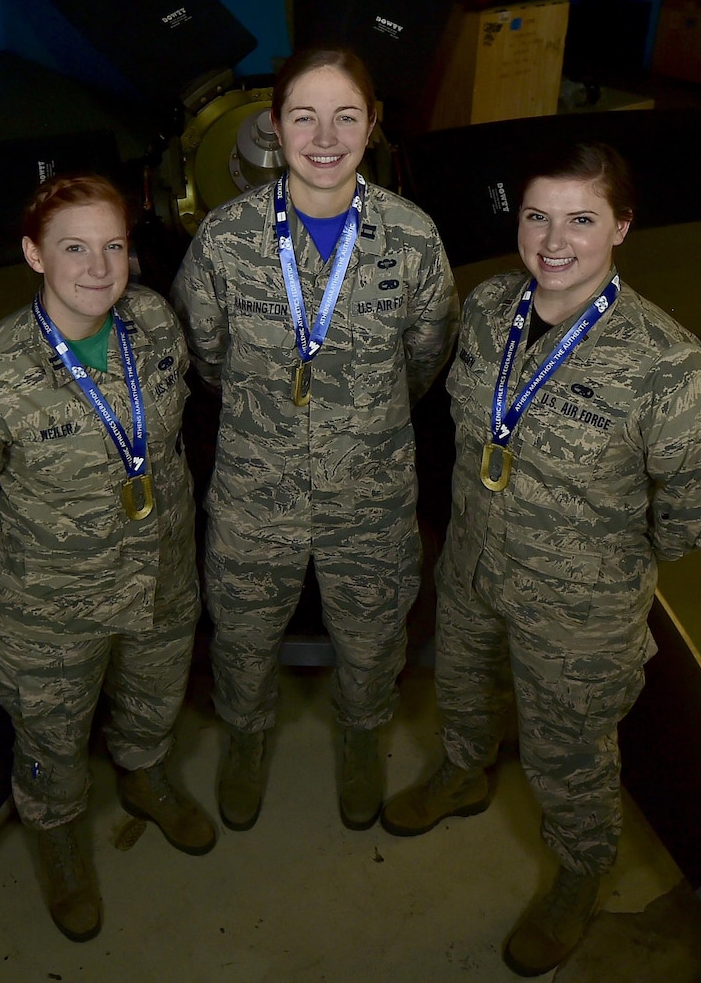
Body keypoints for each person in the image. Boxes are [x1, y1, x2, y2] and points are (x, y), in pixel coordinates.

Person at [381, 141, 701, 978]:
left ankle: (580, 871)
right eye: (537, 215)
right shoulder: (488, 308)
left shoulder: (667, 365)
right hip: (472, 566)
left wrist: (603, 558)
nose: (554, 240)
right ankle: (464, 773)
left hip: (579, 608)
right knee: (463, 684)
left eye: (581, 219)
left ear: (620, 226)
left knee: (567, 751)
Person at [0, 172, 213, 943]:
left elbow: (171, 428)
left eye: (113, 246)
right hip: (50, 605)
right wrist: (37, 532)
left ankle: (145, 777)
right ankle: (56, 836)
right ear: (34, 254)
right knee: (51, 734)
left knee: (154, 694)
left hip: (161, 575)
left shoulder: (152, 322)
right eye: (73, 248)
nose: (98, 267)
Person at [170, 46, 458, 833]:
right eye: (304, 115)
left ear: (373, 124)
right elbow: (208, 355)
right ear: (275, 124)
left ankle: (363, 740)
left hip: (370, 492)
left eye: (345, 115)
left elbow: (426, 357)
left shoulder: (413, 239)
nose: (324, 136)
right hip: (255, 491)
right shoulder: (226, 240)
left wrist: (359, 418)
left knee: (372, 636)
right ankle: (245, 737)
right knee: (242, 632)